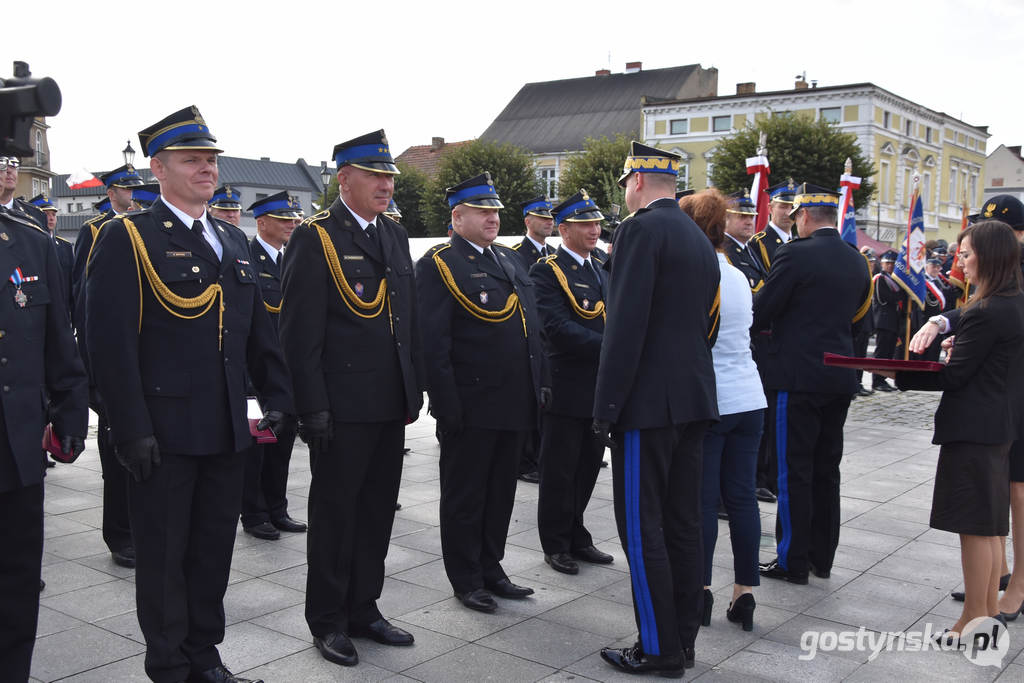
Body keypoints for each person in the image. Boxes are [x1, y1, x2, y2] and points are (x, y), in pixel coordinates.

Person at [86, 105, 292, 683]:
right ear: (158, 167)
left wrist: (277, 396)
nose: (207, 168)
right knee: (164, 558)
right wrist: (130, 429)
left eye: (211, 159)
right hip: (164, 434)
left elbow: (257, 332)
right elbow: (110, 346)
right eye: (192, 159)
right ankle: (170, 665)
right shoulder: (128, 237)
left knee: (211, 557)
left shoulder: (230, 236)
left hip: (227, 428)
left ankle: (206, 656)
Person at [279, 130, 423, 667]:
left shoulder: (394, 234)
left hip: (388, 402)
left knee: (377, 510)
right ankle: (328, 619)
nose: (386, 185)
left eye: (390, 177)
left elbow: (406, 321)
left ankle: (365, 606)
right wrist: (310, 406)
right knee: (337, 513)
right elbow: (299, 332)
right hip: (341, 406)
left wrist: (414, 386)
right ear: (345, 179)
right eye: (375, 176)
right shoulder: (315, 238)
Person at [593, 142, 720, 677]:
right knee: (684, 524)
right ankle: (682, 639)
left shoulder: (639, 230)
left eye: (625, 184)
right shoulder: (697, 235)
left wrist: (606, 407)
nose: (624, 194)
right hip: (693, 398)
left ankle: (658, 647)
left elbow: (624, 329)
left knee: (643, 530)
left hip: (648, 404)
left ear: (638, 181)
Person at [891, 220, 1024, 644]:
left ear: (987, 257)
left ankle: (972, 618)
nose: (958, 263)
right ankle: (982, 613)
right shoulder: (1013, 302)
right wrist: (953, 339)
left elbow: (956, 377)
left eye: (965, 255)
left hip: (974, 428)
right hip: (997, 426)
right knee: (987, 528)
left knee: (975, 528)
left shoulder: (987, 311)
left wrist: (899, 374)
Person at [417, 172, 543, 614]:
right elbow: (433, 342)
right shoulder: (439, 264)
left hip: (514, 401)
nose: (493, 218)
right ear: (458, 216)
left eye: (495, 212)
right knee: (466, 496)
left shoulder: (508, 261)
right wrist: (447, 404)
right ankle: (466, 577)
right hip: (471, 404)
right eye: (483, 211)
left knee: (500, 494)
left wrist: (538, 388)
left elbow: (531, 332)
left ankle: (493, 567)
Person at [753, 183, 872, 586]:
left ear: (803, 216)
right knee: (827, 469)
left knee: (792, 469)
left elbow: (765, 308)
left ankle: (792, 559)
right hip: (839, 376)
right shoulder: (856, 261)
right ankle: (822, 556)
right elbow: (859, 320)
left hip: (797, 377)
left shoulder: (794, 254)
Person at [0, 189, 88, 682]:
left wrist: (70, 413)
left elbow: (59, 336)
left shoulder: (30, 242)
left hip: (14, 441)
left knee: (15, 585)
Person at [679, 189, 765, 632]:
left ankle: (703, 591)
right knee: (743, 499)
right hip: (750, 396)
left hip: (714, 400)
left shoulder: (697, 271)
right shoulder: (735, 272)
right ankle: (744, 593)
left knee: (703, 503)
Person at [530, 189, 613, 575]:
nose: (594, 230)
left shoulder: (602, 266)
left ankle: (577, 534)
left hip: (598, 386)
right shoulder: (547, 270)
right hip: (566, 384)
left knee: (587, 466)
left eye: (596, 223)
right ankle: (556, 542)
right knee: (560, 469)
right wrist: (611, 349)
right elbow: (556, 328)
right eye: (585, 224)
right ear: (564, 230)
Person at [72, 161, 145, 570]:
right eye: (125, 190)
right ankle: (119, 536)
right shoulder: (96, 229)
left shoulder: (141, 227)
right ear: (111, 192)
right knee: (116, 459)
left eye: (134, 190)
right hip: (107, 354)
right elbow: (84, 295)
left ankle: (138, 530)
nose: (131, 196)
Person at [240, 191, 305, 541]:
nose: (292, 224)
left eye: (294, 219)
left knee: (282, 445)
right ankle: (254, 513)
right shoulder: (247, 259)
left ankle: (277, 509)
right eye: (284, 219)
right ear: (262, 223)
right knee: (257, 449)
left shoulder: (291, 259)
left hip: (287, 370)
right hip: (257, 373)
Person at [511, 195, 556, 484]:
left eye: (551, 217)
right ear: (528, 221)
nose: (549, 221)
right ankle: (526, 460)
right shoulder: (516, 253)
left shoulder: (555, 253)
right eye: (542, 217)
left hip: (550, 338)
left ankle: (541, 455)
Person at [28, 193, 74, 309]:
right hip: (39, 309)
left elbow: (72, 284)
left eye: (53, 214)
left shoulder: (65, 246)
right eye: (46, 214)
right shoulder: (28, 245)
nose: (51, 218)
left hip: (62, 308)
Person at [746, 178, 797, 274]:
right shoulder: (758, 243)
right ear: (770, 208)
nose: (788, 213)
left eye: (792, 207)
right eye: (783, 207)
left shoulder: (798, 241)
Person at [871, 251, 905, 391]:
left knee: (889, 352)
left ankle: (882, 379)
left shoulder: (893, 279)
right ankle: (877, 380)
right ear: (882, 264)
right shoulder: (880, 278)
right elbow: (883, 298)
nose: (890, 266)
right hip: (883, 319)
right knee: (881, 352)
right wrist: (899, 295)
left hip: (893, 320)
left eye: (892, 263)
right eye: (887, 263)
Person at [719, 189, 765, 290]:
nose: (749, 222)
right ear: (726, 218)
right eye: (742, 216)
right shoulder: (724, 251)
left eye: (751, 217)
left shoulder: (749, 249)